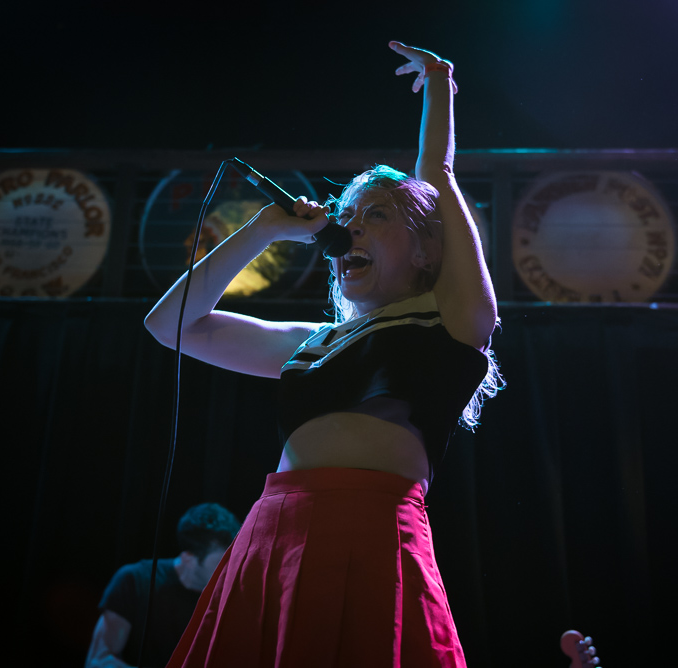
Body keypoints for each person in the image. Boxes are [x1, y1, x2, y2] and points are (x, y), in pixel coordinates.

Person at [144, 41, 502, 667]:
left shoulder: (449, 319)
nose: (352, 227)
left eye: (378, 216)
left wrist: (441, 86)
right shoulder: (310, 343)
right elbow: (169, 324)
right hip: (275, 531)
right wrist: (263, 231)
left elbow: (437, 176)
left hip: (372, 527)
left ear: (424, 251)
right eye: (346, 218)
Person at [85, 503, 240, 668]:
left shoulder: (235, 596)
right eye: (221, 562)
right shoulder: (135, 580)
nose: (230, 569)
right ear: (188, 559)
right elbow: (98, 660)